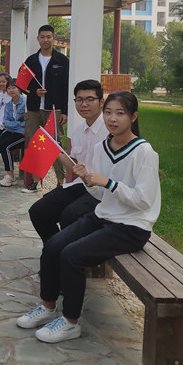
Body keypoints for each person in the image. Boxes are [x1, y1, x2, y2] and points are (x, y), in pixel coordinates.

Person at [16, 91, 160, 344]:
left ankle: (71, 322)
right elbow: (98, 193)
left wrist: (108, 182)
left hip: (131, 226)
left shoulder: (144, 152)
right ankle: (47, 306)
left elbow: (144, 200)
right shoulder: (102, 147)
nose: (112, 119)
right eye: (108, 113)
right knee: (53, 246)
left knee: (72, 255)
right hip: (103, 215)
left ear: (133, 117)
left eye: (120, 113)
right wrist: (87, 179)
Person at [28, 79, 109, 243]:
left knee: (69, 216)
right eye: (79, 99)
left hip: (103, 190)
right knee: (38, 211)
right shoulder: (78, 131)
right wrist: (55, 150)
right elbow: (75, 167)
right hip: (82, 185)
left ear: (101, 102)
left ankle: (64, 252)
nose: (84, 104)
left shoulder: (109, 129)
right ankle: (54, 249)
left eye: (89, 99)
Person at [22, 24, 70, 193]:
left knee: (55, 145)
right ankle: (35, 181)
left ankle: (60, 181)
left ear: (53, 38)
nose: (45, 40)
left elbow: (66, 88)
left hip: (54, 110)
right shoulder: (31, 61)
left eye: (49, 37)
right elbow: (22, 85)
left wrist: (65, 111)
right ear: (38, 39)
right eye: (42, 37)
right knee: (34, 145)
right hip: (34, 109)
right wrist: (34, 92)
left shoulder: (62, 61)